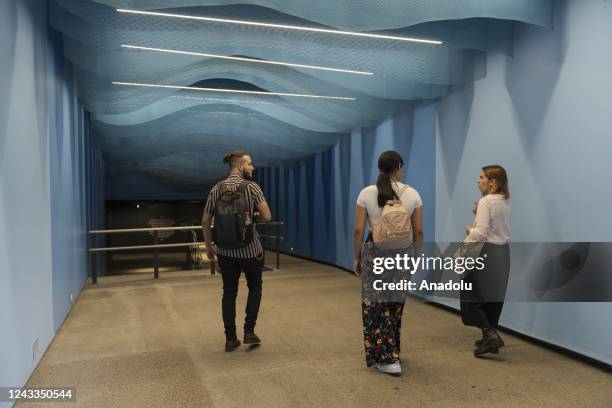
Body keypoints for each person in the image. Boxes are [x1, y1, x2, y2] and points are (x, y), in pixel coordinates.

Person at [353, 151, 424, 376]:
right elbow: (419, 231)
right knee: (395, 303)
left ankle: (387, 358)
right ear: (399, 168)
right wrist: (416, 257)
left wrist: (357, 256)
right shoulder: (412, 194)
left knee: (375, 305)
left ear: (380, 167)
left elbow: (358, 229)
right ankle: (393, 351)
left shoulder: (367, 192)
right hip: (402, 254)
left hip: (375, 253)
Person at [202, 151, 272, 352]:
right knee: (255, 288)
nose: (253, 168)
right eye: (250, 164)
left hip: (225, 251)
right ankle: (249, 331)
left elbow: (205, 221)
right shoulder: (252, 187)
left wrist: (209, 247)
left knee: (229, 293)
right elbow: (267, 216)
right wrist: (250, 216)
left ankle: (230, 338)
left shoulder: (216, 189)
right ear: (240, 166)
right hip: (251, 250)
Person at [461, 165, 511, 357]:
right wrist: (478, 213)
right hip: (502, 253)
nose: (477, 180)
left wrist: (469, 230)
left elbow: (480, 235)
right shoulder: (504, 200)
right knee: (492, 298)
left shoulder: (486, 201)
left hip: (484, 253)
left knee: (472, 296)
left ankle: (490, 335)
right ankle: (488, 335)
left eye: (481, 177)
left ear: (492, 182)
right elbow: (496, 227)